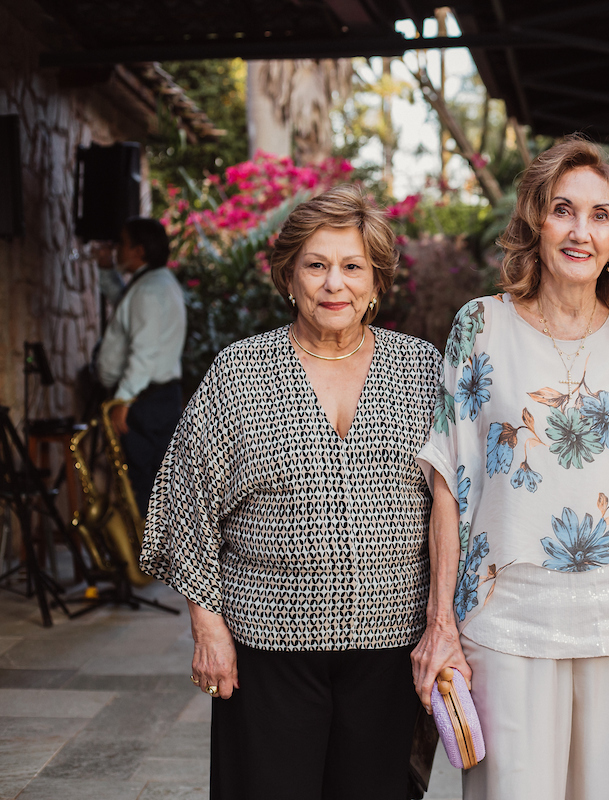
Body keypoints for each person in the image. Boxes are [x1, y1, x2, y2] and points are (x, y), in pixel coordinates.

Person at [139, 185, 441, 800]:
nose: (335, 284)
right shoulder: (240, 371)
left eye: (353, 266)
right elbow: (184, 504)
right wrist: (208, 627)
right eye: (317, 265)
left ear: (377, 282)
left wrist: (447, 626)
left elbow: (454, 507)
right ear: (288, 277)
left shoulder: (423, 370)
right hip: (266, 649)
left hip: (390, 648)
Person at [412, 137, 609, 800]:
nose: (581, 231)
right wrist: (440, 622)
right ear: (536, 220)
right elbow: (449, 476)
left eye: (599, 215)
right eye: (564, 210)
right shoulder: (482, 326)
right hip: (509, 617)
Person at [95, 217, 186, 516]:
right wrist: (108, 270)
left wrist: (124, 398)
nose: (117, 248)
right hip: (154, 398)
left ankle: (146, 562)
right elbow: (126, 305)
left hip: (145, 402)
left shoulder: (149, 290)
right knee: (149, 485)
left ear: (139, 250)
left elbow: (144, 352)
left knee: (144, 489)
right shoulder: (154, 283)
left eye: (121, 243)